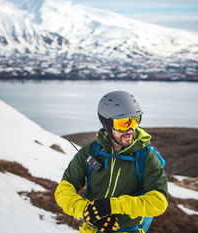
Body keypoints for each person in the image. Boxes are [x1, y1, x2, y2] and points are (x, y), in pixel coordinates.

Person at [55, 91, 168, 233]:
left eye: (134, 120)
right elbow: (64, 190)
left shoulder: (146, 157)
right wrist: (87, 211)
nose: (130, 129)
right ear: (108, 124)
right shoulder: (91, 151)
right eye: (123, 123)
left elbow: (159, 202)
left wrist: (111, 206)